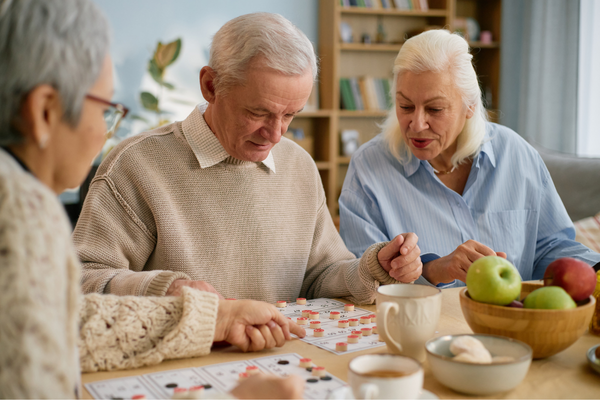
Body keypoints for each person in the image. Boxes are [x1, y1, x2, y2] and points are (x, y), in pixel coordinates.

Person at [0, 1, 305, 398]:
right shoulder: (20, 214)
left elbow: (69, 323)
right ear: (44, 111)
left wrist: (217, 318)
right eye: (107, 109)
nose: (104, 133)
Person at [73, 12, 422, 304]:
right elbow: (80, 282)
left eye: (290, 115)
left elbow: (319, 277)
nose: (275, 134)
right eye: (258, 113)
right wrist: (171, 291)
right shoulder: (135, 165)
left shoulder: (298, 165)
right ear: (210, 86)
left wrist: (373, 267)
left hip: (280, 367)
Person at [339, 29, 600, 288]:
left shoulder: (516, 155)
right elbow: (362, 278)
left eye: (435, 109)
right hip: (422, 327)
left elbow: (552, 248)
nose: (416, 124)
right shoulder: (368, 168)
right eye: (405, 106)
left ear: (470, 105)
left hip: (512, 323)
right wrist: (433, 270)